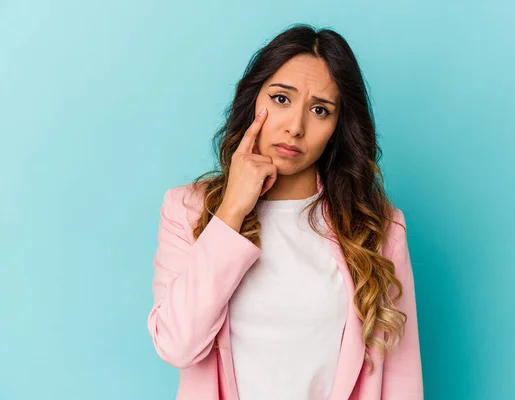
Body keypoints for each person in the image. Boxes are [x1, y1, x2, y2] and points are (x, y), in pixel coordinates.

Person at [147, 23, 423, 400]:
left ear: (336, 127)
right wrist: (230, 211)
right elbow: (177, 345)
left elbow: (402, 380)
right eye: (281, 99)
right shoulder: (187, 210)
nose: (295, 126)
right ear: (253, 100)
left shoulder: (379, 229)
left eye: (320, 110)